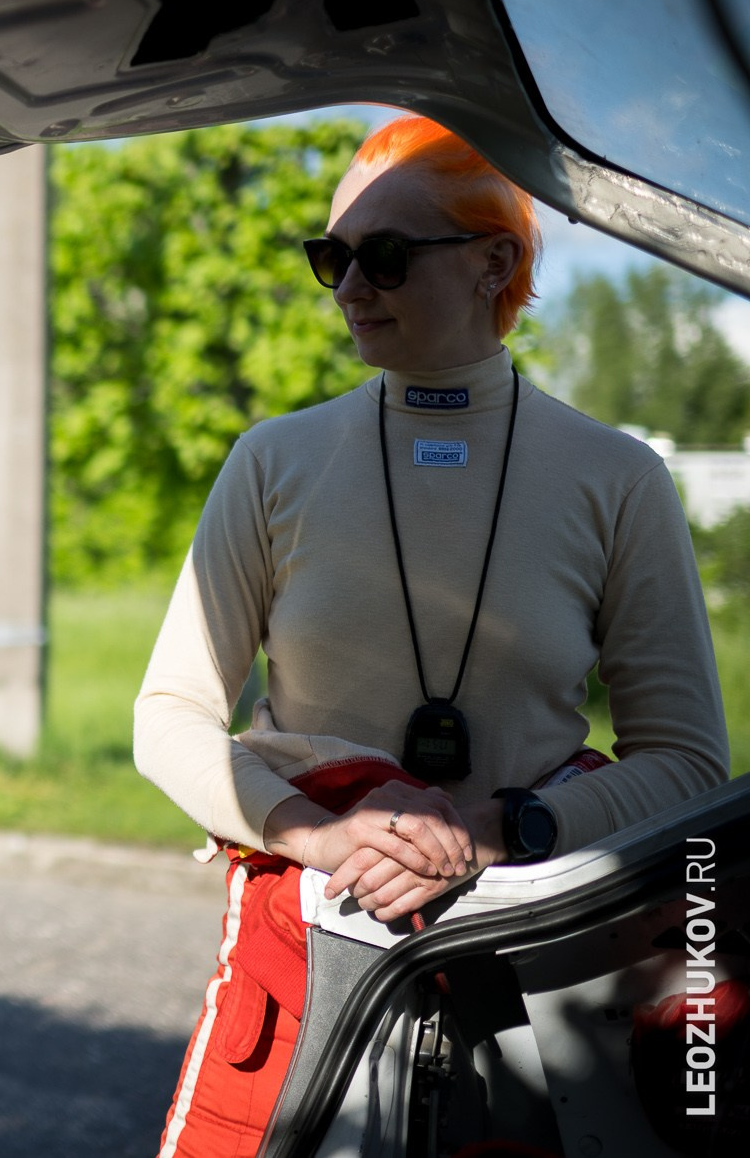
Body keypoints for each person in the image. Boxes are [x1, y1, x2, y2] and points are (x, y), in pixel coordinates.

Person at [132, 114, 730, 1158]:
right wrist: (314, 835)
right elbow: (165, 715)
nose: (348, 286)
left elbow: (686, 762)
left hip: (533, 960)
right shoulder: (270, 460)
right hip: (314, 949)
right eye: (331, 257)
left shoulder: (615, 477)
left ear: (493, 262)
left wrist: (501, 829)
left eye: (385, 256)